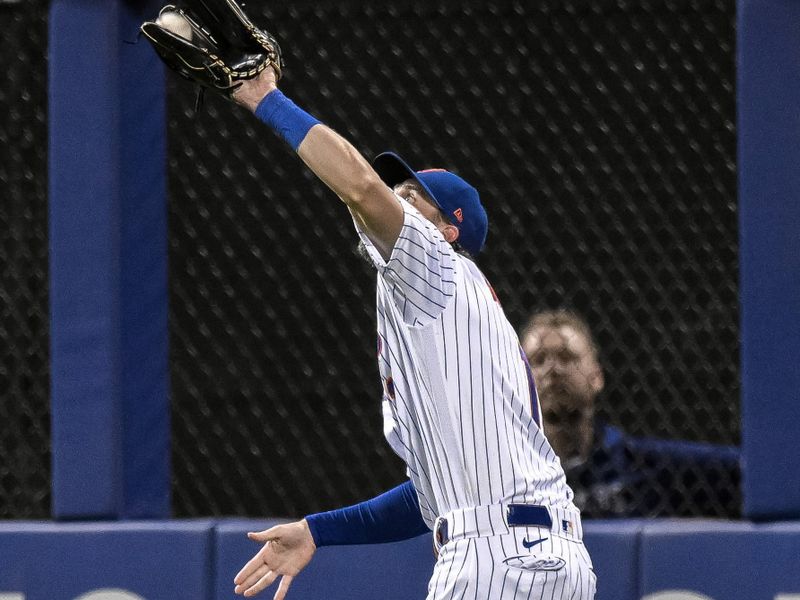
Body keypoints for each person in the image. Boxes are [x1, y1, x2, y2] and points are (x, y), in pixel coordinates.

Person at [225, 63, 595, 598]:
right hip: (528, 552)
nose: (395, 198)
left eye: (412, 195)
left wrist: (265, 98)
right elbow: (427, 498)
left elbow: (357, 185)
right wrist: (316, 532)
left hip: (500, 558)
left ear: (447, 229)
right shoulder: (435, 324)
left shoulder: (436, 270)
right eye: (396, 187)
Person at [520, 309, 741, 518]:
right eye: (538, 360)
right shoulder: (509, 473)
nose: (553, 369)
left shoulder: (642, 466)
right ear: (520, 380)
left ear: (596, 377)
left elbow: (742, 470)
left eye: (567, 358)